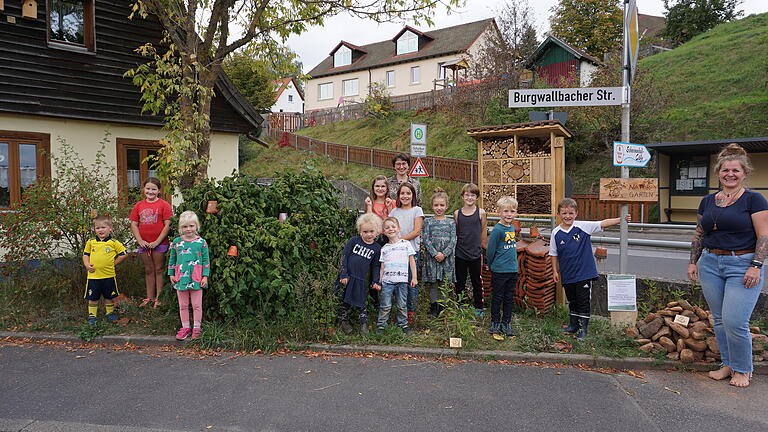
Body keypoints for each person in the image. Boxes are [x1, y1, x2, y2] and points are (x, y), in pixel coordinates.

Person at [688, 143, 768, 388]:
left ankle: (744, 369)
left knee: (735, 321)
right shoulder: (708, 201)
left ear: (744, 173)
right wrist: (693, 261)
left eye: (735, 170)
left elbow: (763, 235)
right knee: (720, 319)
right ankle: (727, 364)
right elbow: (699, 232)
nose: (730, 174)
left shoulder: (754, 199)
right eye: (725, 170)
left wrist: (756, 265)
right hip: (711, 263)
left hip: (742, 263)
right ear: (718, 173)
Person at [549, 198, 630, 340]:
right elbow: (553, 253)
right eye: (564, 213)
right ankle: (573, 325)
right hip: (567, 274)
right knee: (572, 300)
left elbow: (603, 223)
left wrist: (621, 218)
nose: (567, 216)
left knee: (583, 300)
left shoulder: (583, 226)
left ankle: (583, 329)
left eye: (571, 213)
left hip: (584, 273)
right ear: (558, 214)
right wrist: (555, 271)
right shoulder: (556, 233)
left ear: (576, 213)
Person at [130, 177, 173, 308]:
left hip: (160, 243)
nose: (150, 191)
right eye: (148, 188)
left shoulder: (164, 205)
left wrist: (157, 242)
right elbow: (134, 224)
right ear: (143, 189)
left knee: (159, 269)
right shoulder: (138, 206)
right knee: (148, 270)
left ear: (159, 190)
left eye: (153, 189)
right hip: (144, 244)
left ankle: (159, 299)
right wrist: (140, 240)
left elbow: (167, 225)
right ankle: (149, 297)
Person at [168, 211, 210, 341]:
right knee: (183, 305)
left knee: (197, 305)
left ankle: (197, 328)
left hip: (197, 279)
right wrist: (171, 274)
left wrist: (205, 276)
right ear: (181, 228)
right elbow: (172, 259)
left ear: (196, 226)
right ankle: (185, 327)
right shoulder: (176, 242)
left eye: (191, 226)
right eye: (185, 227)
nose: (188, 229)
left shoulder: (201, 243)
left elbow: (205, 261)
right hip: (181, 279)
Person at [338, 213, 382, 334]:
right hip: (348, 277)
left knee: (361, 302)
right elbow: (345, 257)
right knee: (345, 300)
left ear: (377, 231)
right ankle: (344, 322)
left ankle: (363, 324)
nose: (368, 234)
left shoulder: (377, 248)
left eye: (371, 231)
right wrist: (343, 274)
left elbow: (375, 266)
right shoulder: (354, 241)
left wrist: (375, 281)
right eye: (365, 231)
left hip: (361, 279)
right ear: (360, 231)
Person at [388, 182, 424, 324]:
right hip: (395, 253)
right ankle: (399, 312)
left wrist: (399, 240)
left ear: (413, 195)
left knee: (412, 282)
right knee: (398, 283)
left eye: (408, 193)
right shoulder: (394, 212)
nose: (405, 196)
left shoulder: (417, 210)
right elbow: (389, 227)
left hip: (411, 252)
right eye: (402, 193)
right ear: (398, 196)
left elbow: (416, 231)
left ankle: (411, 312)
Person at [82, 215, 127, 325]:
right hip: (93, 276)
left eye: (103, 227)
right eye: (97, 228)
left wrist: (114, 263)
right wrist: (87, 264)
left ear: (110, 228)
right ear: (94, 229)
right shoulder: (91, 242)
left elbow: (123, 254)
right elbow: (85, 254)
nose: (100, 230)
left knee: (109, 296)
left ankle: (109, 313)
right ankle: (92, 316)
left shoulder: (114, 242)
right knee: (93, 297)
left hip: (109, 276)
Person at [486, 196, 519, 341]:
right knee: (497, 297)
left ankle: (506, 323)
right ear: (499, 212)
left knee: (509, 297)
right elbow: (490, 251)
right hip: (500, 270)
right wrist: (493, 265)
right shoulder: (497, 230)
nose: (509, 214)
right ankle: (495, 322)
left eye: (512, 211)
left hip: (512, 270)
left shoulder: (511, 228)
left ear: (516, 213)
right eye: (505, 211)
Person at [453, 183, 488, 316]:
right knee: (460, 281)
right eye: (467, 195)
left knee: (477, 280)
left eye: (472, 195)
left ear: (477, 197)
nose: (469, 197)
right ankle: (461, 304)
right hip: (460, 253)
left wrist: (482, 247)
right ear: (462, 196)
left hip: (475, 253)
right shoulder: (457, 213)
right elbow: (457, 232)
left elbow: (483, 231)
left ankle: (479, 306)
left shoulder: (481, 213)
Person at [377, 217, 416, 333]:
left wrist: (414, 277)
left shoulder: (406, 244)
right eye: (387, 228)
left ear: (399, 229)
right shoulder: (384, 248)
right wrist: (379, 281)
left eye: (393, 227)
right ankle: (381, 325)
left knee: (402, 304)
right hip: (387, 282)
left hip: (402, 281)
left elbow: (412, 261)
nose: (391, 229)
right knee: (385, 305)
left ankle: (403, 324)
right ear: (383, 232)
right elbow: (382, 267)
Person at [422, 188, 456, 317]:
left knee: (444, 283)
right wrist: (435, 253)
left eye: (442, 205)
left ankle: (443, 308)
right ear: (432, 206)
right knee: (433, 283)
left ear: (446, 206)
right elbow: (426, 239)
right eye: (436, 205)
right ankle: (433, 308)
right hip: (432, 258)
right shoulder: (428, 222)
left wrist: (444, 254)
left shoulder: (451, 222)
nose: (439, 208)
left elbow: (453, 240)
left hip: (446, 259)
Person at [364, 175, 396, 246]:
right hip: (374, 237)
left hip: (389, 237)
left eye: (383, 186)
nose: (380, 188)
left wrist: (389, 208)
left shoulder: (392, 202)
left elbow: (394, 222)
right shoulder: (370, 202)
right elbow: (369, 222)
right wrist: (369, 206)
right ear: (373, 188)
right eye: (377, 186)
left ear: (387, 188)